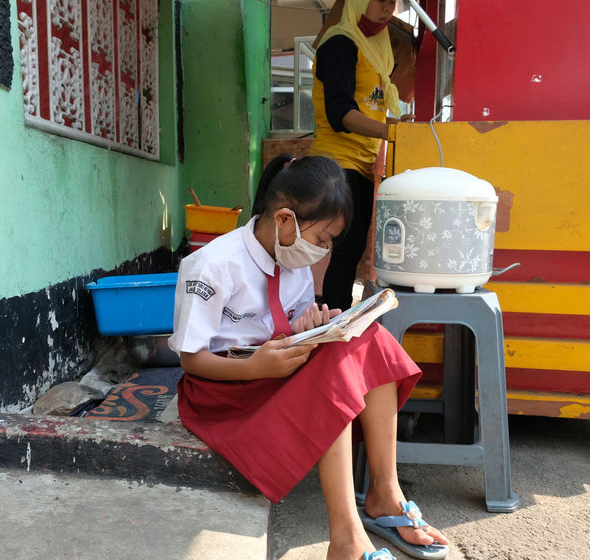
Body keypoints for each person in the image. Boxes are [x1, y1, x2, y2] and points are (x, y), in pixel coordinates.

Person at [169, 154, 450, 560]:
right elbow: (191, 361)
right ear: (285, 220)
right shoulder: (211, 264)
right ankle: (346, 540)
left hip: (273, 370)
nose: (324, 250)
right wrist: (253, 367)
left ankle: (386, 494)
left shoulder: (291, 260)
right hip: (223, 390)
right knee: (330, 369)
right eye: (321, 239)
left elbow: (287, 326)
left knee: (373, 340)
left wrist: (311, 327)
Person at [309, 0, 401, 310]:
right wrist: (391, 132)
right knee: (339, 251)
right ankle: (329, 325)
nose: (388, 8)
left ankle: (336, 322)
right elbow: (340, 113)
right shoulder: (339, 44)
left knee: (351, 253)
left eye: (393, 2)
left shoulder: (375, 52)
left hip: (361, 167)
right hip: (336, 166)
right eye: (380, 0)